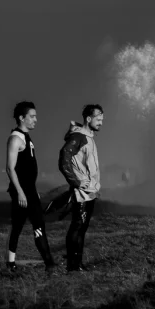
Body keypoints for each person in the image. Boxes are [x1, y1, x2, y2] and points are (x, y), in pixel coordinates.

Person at [5, 101, 56, 274]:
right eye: (32, 116)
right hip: (22, 193)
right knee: (20, 226)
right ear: (22, 118)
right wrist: (20, 192)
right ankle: (13, 264)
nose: (35, 120)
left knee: (36, 225)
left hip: (30, 192)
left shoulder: (25, 137)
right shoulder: (15, 139)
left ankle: (48, 263)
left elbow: (27, 170)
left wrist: (33, 192)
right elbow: (10, 168)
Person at [58, 104, 104, 272]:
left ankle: (77, 263)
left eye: (102, 120)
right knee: (77, 226)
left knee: (82, 228)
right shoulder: (79, 137)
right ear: (88, 119)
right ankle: (73, 265)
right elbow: (64, 157)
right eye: (98, 119)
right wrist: (75, 182)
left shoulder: (88, 137)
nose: (101, 123)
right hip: (81, 193)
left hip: (90, 191)